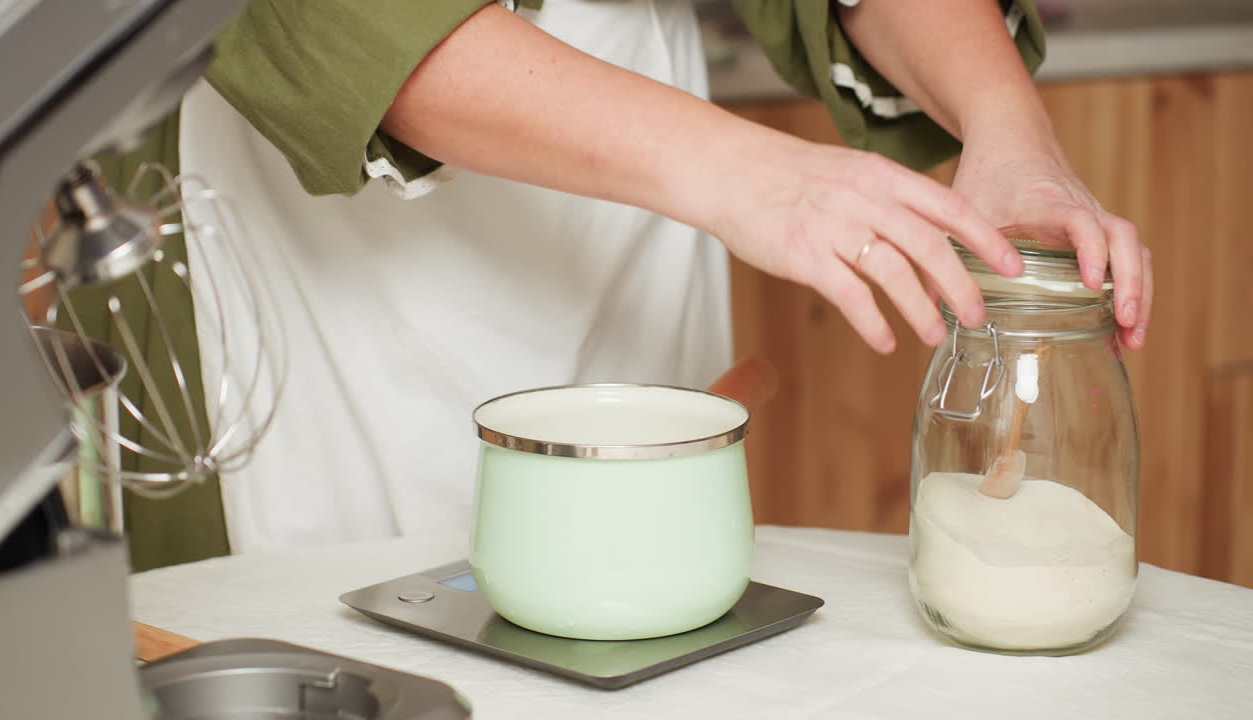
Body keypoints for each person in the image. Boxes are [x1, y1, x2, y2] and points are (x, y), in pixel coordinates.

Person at [108, 0, 1151, 568]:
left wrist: (1006, 123)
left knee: (635, 608)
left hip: (636, 238)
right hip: (318, 273)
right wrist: (750, 177)